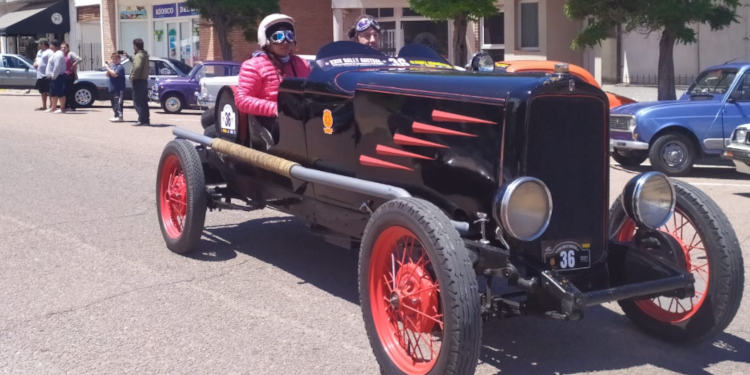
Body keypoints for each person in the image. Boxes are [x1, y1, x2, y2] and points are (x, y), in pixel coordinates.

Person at [236, 14, 311, 119]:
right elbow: (242, 100)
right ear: (266, 41)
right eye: (278, 37)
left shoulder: (303, 64)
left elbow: (313, 91)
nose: (285, 42)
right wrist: (275, 108)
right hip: (270, 123)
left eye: (289, 36)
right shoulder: (253, 66)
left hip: (300, 120)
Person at [130, 38, 150, 125]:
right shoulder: (143, 54)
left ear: (136, 46)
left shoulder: (139, 55)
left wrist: (132, 77)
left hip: (138, 81)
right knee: (143, 101)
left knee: (137, 101)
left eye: (134, 46)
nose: (133, 47)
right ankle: (145, 120)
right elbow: (136, 61)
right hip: (143, 81)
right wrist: (128, 56)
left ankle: (141, 120)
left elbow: (137, 67)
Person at [45, 40, 67, 113]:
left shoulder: (58, 54)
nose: (49, 46)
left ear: (54, 46)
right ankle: (53, 108)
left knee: (60, 92)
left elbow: (57, 67)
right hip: (53, 77)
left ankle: (62, 108)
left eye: (50, 45)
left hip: (58, 76)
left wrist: (54, 76)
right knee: (53, 93)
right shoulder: (55, 54)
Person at [104, 52, 126, 122]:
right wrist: (109, 67)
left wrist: (107, 67)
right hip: (112, 88)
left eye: (116, 59)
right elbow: (107, 75)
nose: (114, 60)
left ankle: (120, 116)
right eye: (113, 59)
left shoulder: (120, 67)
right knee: (113, 103)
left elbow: (115, 74)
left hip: (118, 88)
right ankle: (116, 115)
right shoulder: (113, 66)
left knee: (118, 103)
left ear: (119, 59)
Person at [32, 39, 53, 110]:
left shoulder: (49, 52)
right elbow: (36, 59)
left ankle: (52, 105)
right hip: (39, 74)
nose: (38, 45)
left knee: (49, 91)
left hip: (46, 74)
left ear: (44, 44)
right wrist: (35, 63)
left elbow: (52, 62)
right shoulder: (39, 52)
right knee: (42, 91)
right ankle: (44, 106)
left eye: (39, 44)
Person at [61, 42, 82, 111]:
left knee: (70, 91)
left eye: (65, 47)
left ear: (68, 48)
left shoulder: (71, 54)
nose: (63, 49)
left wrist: (74, 64)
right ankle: (66, 105)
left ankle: (72, 106)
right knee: (64, 90)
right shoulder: (61, 54)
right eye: (62, 47)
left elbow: (79, 59)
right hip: (63, 75)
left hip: (70, 74)